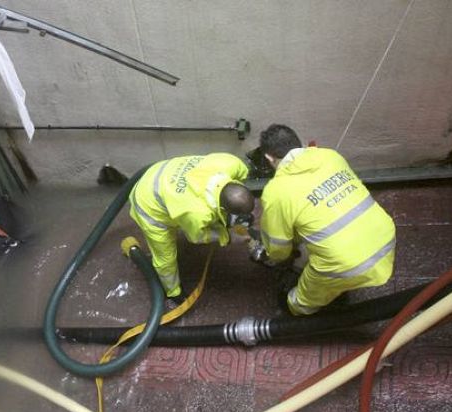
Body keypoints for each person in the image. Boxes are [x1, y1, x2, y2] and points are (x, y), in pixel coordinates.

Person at [250, 124, 396, 315]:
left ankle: (303, 313)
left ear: (269, 157)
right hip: (384, 239)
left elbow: (278, 251)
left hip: (344, 264)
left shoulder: (276, 191)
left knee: (294, 303)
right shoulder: (331, 156)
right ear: (298, 143)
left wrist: (271, 256)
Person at [129, 152, 254, 304]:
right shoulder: (197, 214)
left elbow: (240, 183)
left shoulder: (232, 163)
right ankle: (173, 292)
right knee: (165, 259)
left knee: (203, 216)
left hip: (162, 173)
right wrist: (228, 237)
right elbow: (196, 236)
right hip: (149, 203)